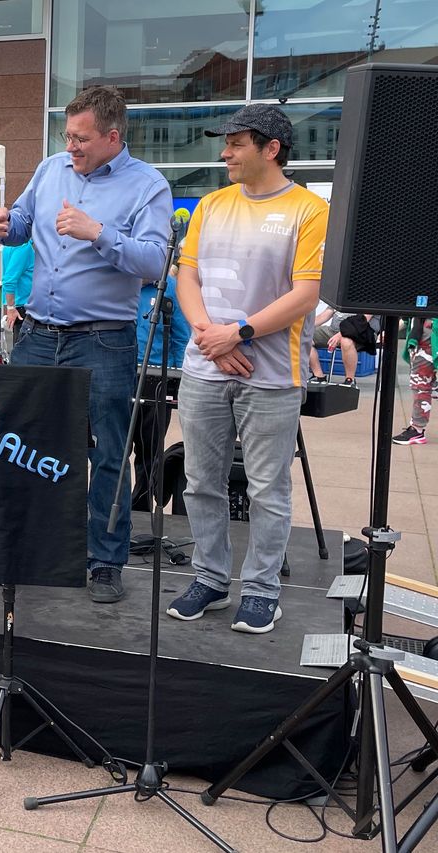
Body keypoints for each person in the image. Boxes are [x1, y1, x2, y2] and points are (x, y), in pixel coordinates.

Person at [0, 86, 173, 603]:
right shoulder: (51, 168)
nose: (71, 146)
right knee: (20, 448)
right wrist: (2, 225)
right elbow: (20, 225)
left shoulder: (147, 185)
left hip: (103, 341)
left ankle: (105, 560)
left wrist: (98, 232)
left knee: (107, 453)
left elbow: (155, 262)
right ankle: (30, 547)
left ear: (112, 136)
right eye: (68, 135)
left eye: (81, 138)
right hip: (37, 335)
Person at [166, 104, 327, 635]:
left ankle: (262, 590)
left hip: (272, 375)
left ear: (271, 148)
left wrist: (237, 333)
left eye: (235, 143)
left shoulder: (309, 209)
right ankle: (210, 579)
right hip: (205, 366)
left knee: (266, 489)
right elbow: (186, 278)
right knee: (200, 482)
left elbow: (306, 294)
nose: (224, 153)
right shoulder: (211, 204)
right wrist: (208, 336)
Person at [131, 262, 191, 512]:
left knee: (149, 448)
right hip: (121, 372)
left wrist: (177, 379)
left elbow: (180, 336)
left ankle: (141, 505)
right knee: (115, 447)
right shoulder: (119, 285)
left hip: (156, 377)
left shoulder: (171, 288)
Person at [307, 301, 378, 388]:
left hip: (360, 333)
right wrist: (305, 326)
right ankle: (319, 376)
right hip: (333, 331)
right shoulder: (340, 293)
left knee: (346, 340)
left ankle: (350, 380)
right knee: (303, 337)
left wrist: (340, 334)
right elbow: (326, 314)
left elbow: (362, 320)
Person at [395, 319, 435, 446]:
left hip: (427, 338)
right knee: (425, 386)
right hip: (424, 335)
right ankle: (417, 428)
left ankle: (417, 429)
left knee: (421, 387)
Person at [0, 241, 34, 356]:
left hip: (20, 306)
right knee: (25, 357)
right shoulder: (23, 246)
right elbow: (9, 280)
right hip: (24, 309)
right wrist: (10, 307)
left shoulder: (10, 245)